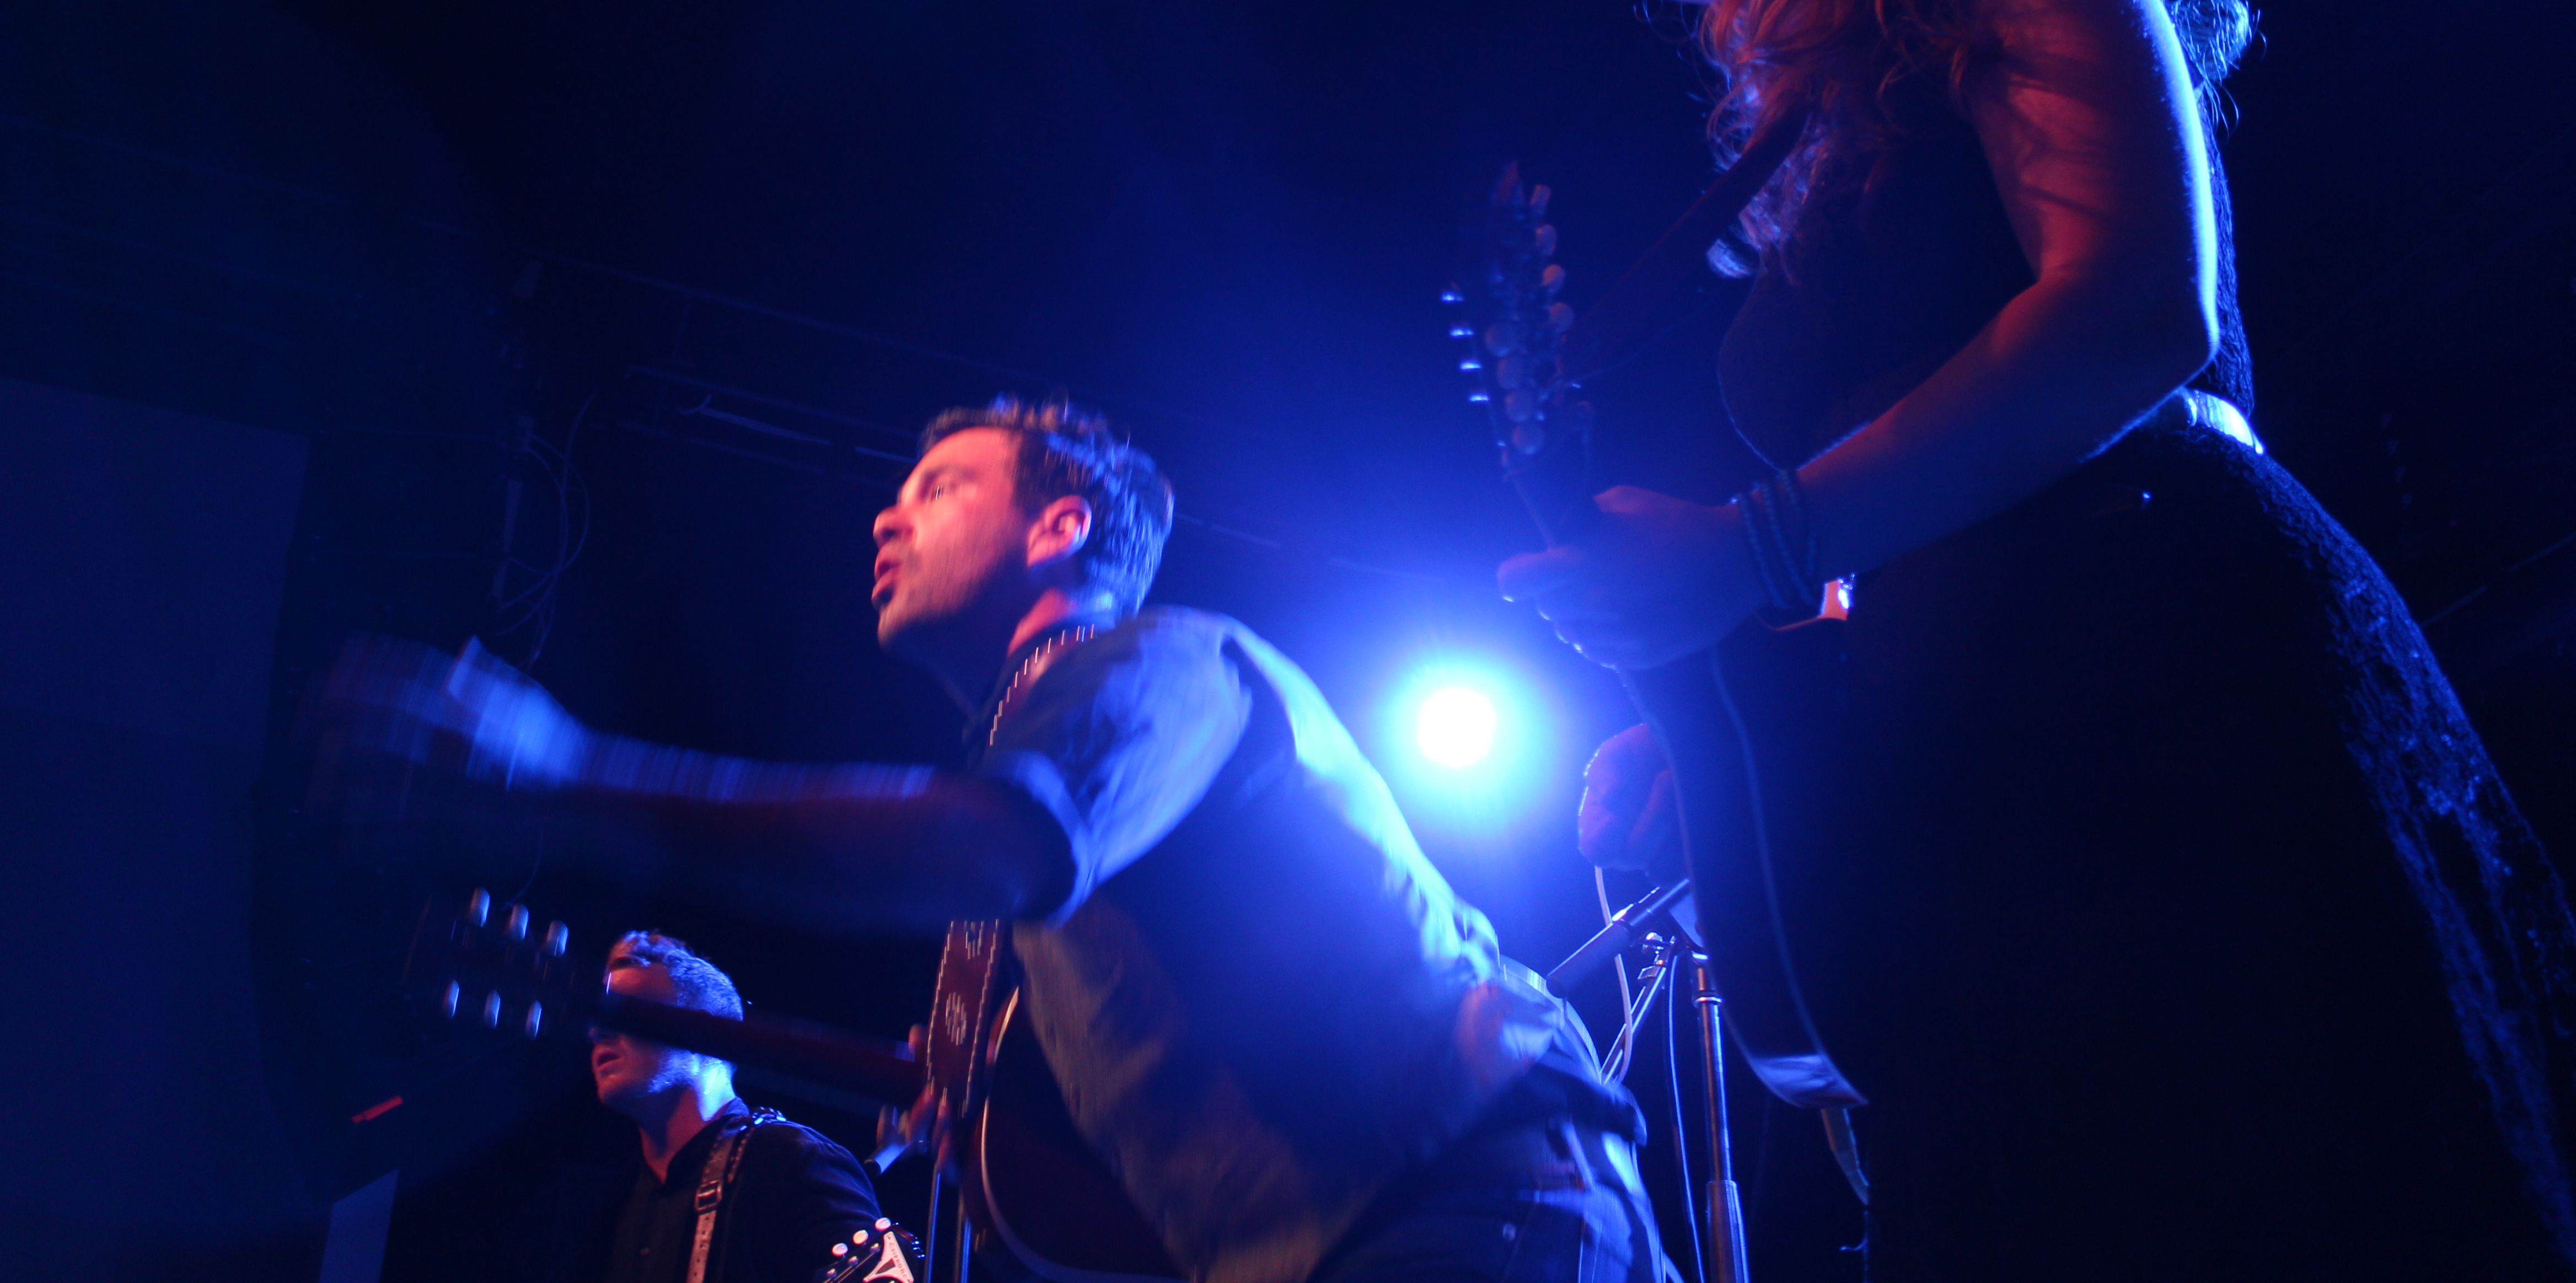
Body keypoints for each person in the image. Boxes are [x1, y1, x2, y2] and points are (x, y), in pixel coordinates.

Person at [1498, 0, 2576, 1279]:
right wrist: (1739, 732)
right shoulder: (1837, 129)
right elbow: (1935, 501)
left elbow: (2137, 307)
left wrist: (1751, 549)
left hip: (2168, 695)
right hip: (1995, 760)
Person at [330, 398, 1674, 1283]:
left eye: (938, 484)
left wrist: (575, 778)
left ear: (1062, 525)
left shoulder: (1168, 662)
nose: (886, 512)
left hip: (1481, 1209)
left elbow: (988, 840)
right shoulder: (1039, 882)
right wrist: (1003, 1138)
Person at [573, 931, 893, 1283]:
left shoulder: (792, 1162)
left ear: (700, 1030)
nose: (599, 1033)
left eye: (628, 1013)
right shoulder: (616, 1202)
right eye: (601, 1017)